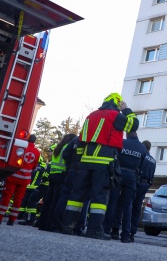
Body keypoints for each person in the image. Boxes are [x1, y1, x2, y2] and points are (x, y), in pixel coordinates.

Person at [63, 93, 138, 240]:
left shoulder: (91, 115)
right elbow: (133, 125)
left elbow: (80, 141)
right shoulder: (116, 116)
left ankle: (68, 226)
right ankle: (94, 230)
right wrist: (127, 109)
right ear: (117, 104)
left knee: (77, 195)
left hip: (85, 162)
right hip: (103, 163)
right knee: (99, 198)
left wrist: (78, 161)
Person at [104, 131, 147, 242]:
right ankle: (125, 235)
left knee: (112, 202)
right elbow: (142, 165)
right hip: (132, 175)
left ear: (127, 135)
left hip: (119, 174)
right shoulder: (142, 148)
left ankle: (107, 231)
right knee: (128, 205)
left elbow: (115, 156)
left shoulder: (122, 142)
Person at [0, 134, 41, 226]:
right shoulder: (37, 152)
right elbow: (34, 166)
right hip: (25, 179)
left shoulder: (21, 148)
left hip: (13, 176)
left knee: (7, 197)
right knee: (19, 199)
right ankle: (12, 220)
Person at [39, 134, 75, 231]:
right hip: (61, 175)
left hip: (52, 174)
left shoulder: (57, 148)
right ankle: (50, 225)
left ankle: (42, 224)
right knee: (55, 202)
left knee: (48, 201)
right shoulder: (66, 148)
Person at [130, 139, 155, 242]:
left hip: (138, 182)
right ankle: (133, 231)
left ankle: (126, 229)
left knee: (129, 205)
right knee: (137, 208)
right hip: (145, 185)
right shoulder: (153, 160)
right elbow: (152, 175)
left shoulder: (142, 156)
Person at [18, 155, 48, 226]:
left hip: (28, 186)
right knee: (31, 203)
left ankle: (23, 216)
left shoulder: (32, 165)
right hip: (36, 187)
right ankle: (28, 217)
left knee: (26, 202)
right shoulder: (43, 167)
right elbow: (44, 176)